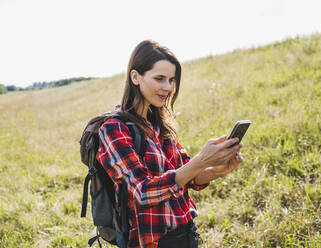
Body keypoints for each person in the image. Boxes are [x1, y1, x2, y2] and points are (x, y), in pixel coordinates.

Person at [96, 40, 243, 248]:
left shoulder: (160, 123)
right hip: (154, 242)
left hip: (186, 233)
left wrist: (216, 169)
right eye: (159, 78)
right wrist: (201, 160)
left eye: (171, 80)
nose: (168, 88)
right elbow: (143, 192)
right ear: (135, 77)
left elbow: (187, 177)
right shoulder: (114, 129)